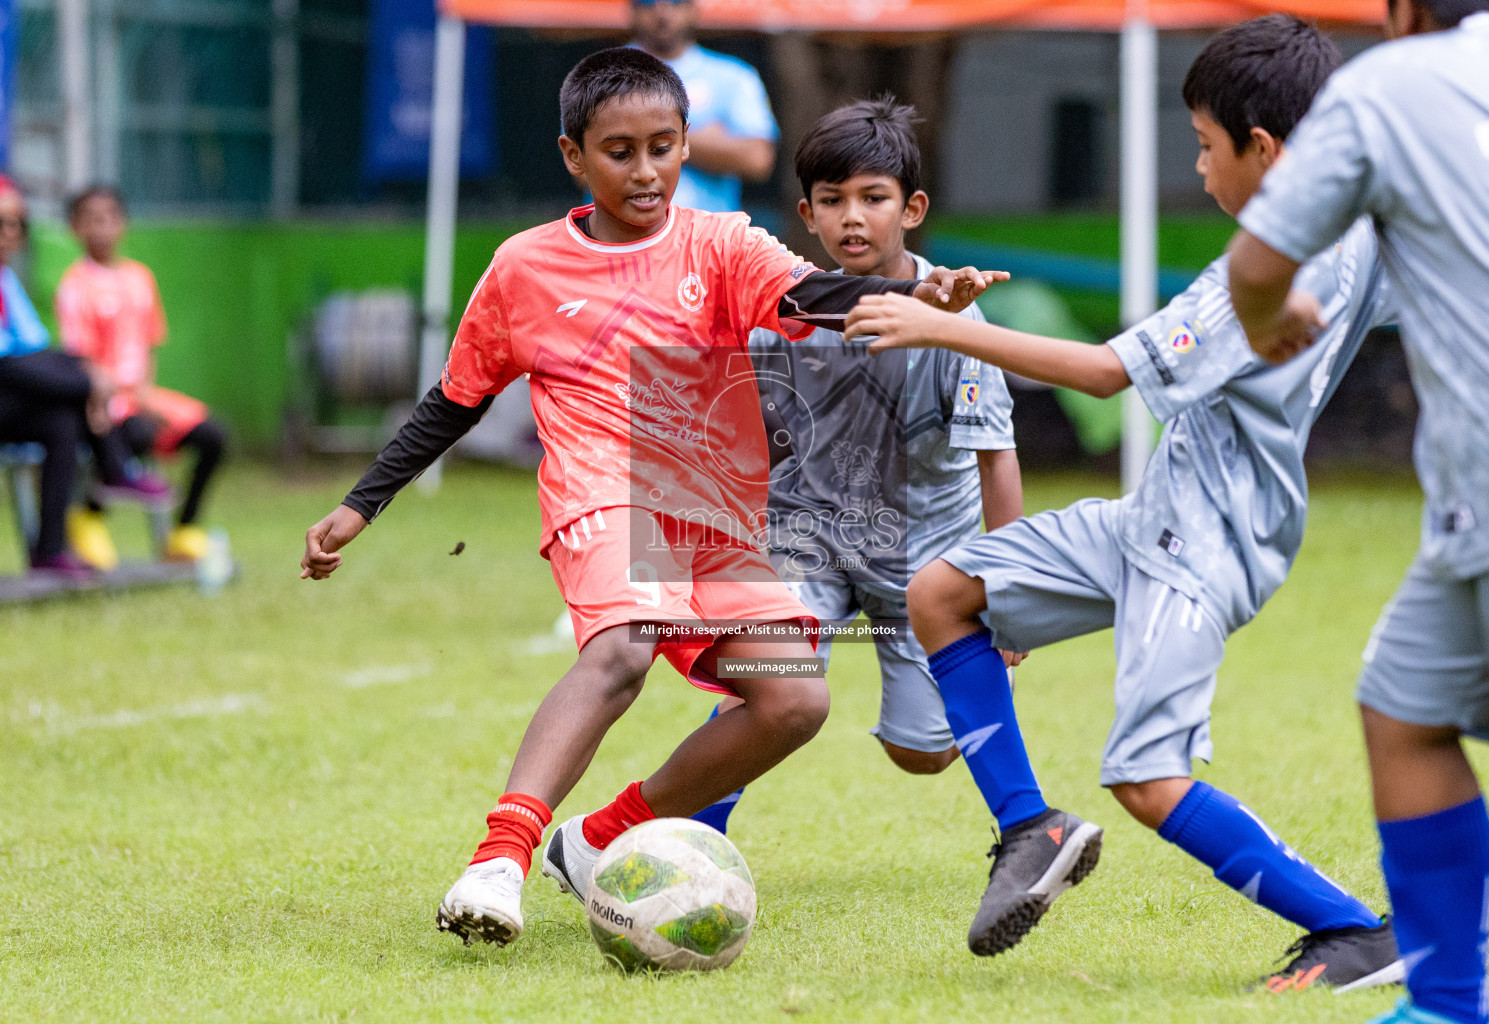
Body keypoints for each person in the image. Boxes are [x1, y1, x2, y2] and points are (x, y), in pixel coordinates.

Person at [298, 47, 1002, 949]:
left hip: (702, 502)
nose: (646, 171)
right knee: (624, 647)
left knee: (794, 704)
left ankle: (591, 842)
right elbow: (456, 398)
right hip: (600, 493)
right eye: (620, 151)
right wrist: (361, 505)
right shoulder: (523, 269)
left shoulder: (722, 242)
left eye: (662, 147)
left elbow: (815, 294)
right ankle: (496, 861)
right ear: (572, 156)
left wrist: (914, 290)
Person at [844, 17, 1404, 992]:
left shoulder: (1261, 275)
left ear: (1265, 152)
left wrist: (945, 327)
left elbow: (1107, 374)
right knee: (942, 594)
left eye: (1203, 145)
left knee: (1148, 778)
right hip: (1153, 517)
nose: (1197, 169)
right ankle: (1031, 828)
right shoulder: (1359, 231)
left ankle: (1356, 931)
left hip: (1206, 545)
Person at [1226, 1, 1489, 1021]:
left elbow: (1259, 264)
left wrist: (1276, 323)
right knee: (1404, 706)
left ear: (1406, 12)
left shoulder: (1387, 82)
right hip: (1473, 512)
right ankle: (1447, 1004)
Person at [690, 97, 1023, 836]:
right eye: (833, 201)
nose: (852, 218)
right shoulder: (785, 310)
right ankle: (687, 836)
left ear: (912, 209)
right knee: (768, 680)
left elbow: (996, 460)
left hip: (923, 562)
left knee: (921, 753)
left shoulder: (954, 322)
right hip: (805, 539)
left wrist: (1011, 589)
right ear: (806, 215)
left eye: (873, 198)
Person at [0, 177, 165, 581]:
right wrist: (90, 384)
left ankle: (50, 550)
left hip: (13, 395)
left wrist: (90, 373)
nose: (11, 234)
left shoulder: (6, 281)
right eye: (2, 224)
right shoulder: (72, 284)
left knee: (64, 420)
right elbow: (9, 363)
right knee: (73, 385)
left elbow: (36, 347)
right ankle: (115, 465)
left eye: (17, 225)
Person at [56, 185, 227, 564]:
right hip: (104, 401)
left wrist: (147, 397)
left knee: (213, 435)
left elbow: (148, 345)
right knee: (132, 434)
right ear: (75, 228)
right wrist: (119, 398)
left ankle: (185, 530)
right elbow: (79, 357)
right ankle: (89, 516)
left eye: (108, 219)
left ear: (123, 224)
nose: (100, 229)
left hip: (143, 395)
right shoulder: (75, 285)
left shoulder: (139, 278)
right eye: (90, 221)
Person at [630, 0, 776, 213]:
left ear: (694, 9)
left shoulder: (734, 75)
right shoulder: (601, 72)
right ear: (631, 9)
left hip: (710, 238)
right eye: (648, 2)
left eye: (675, 1)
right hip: (623, 240)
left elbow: (757, 159)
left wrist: (637, 138)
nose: (662, 11)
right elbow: (583, 169)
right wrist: (702, 141)